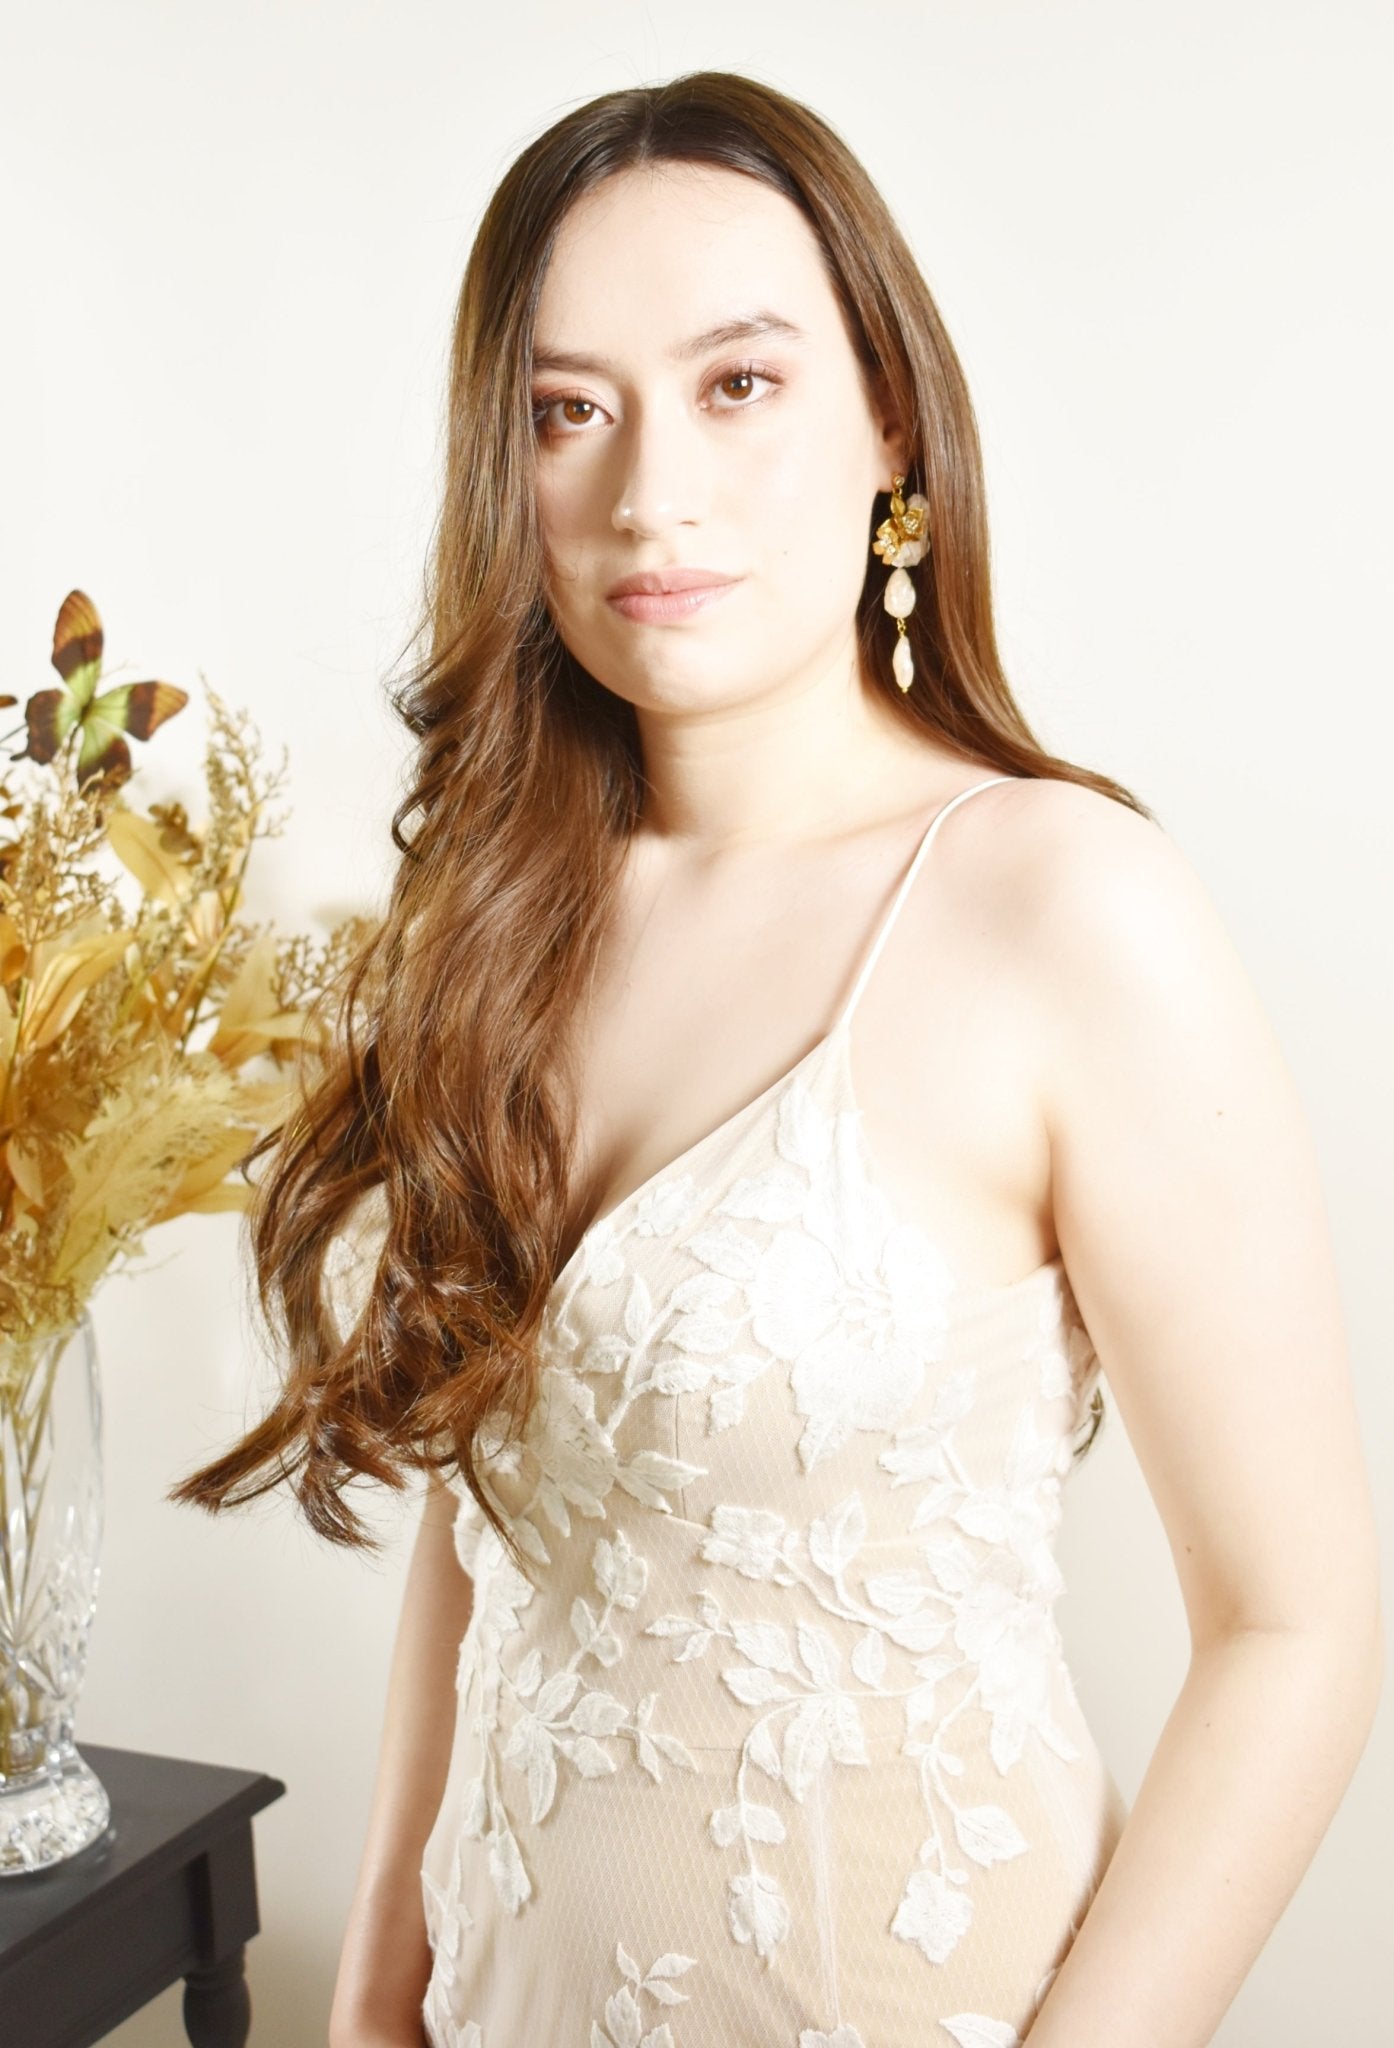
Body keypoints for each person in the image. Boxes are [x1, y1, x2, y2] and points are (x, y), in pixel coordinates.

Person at [169, 69, 1382, 2048]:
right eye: (570, 410)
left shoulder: (1060, 907)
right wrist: (374, 2012)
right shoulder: (498, 921)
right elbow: (495, 1545)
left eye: (737, 385)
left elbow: (1296, 1628)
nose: (652, 493)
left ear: (886, 416)